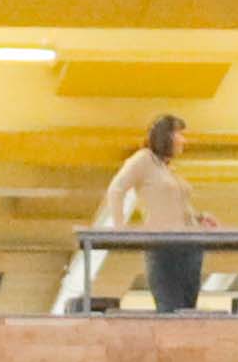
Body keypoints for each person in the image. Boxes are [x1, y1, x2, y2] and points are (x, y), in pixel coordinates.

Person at [78, 108, 212, 313]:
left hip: (190, 245)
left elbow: (175, 203)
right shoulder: (143, 160)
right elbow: (116, 189)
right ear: (166, 136)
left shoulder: (167, 169)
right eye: (180, 134)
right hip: (162, 246)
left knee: (187, 311)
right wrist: (119, 227)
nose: (184, 141)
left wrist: (199, 217)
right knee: (169, 308)